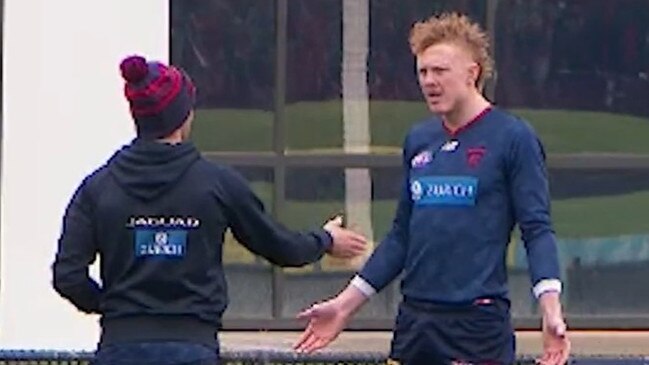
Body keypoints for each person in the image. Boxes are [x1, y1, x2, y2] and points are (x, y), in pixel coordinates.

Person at [51, 55, 367, 365]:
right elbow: (279, 246)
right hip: (192, 347)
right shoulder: (216, 184)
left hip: (120, 346)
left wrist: (114, 307)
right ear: (184, 115)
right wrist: (324, 240)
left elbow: (68, 275)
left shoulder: (98, 187)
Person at [294, 12, 571, 365]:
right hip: (415, 323)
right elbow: (401, 237)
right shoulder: (419, 139)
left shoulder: (513, 138)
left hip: (475, 325)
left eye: (440, 71)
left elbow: (537, 230)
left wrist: (550, 311)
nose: (429, 81)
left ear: (472, 73)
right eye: (423, 72)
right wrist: (345, 305)